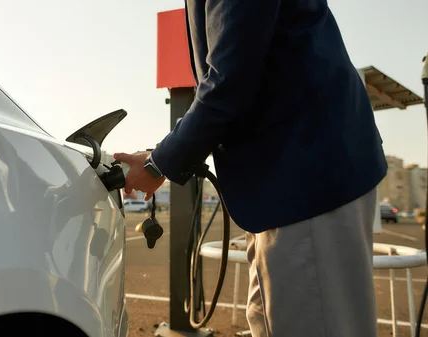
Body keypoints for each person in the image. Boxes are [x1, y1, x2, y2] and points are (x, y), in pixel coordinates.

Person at [114, 1, 386, 336]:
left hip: (303, 181)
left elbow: (229, 81)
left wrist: (158, 165)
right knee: (274, 320)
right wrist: (163, 157)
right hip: (296, 179)